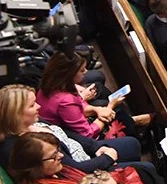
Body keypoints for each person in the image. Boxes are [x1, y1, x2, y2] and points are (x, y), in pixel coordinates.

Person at [0, 84, 135, 172]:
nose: (38, 106)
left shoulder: (31, 120)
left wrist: (95, 147)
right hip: (85, 174)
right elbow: (73, 169)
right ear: (16, 114)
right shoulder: (25, 146)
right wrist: (107, 158)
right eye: (31, 105)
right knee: (145, 169)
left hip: (85, 151)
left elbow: (66, 133)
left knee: (132, 144)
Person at [36, 52, 142, 142]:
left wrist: (97, 110)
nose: (86, 72)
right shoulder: (65, 101)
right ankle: (138, 135)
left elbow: (77, 105)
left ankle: (131, 122)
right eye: (82, 70)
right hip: (74, 136)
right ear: (69, 74)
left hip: (66, 122)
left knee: (100, 93)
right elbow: (88, 134)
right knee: (115, 109)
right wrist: (109, 108)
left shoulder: (51, 83)